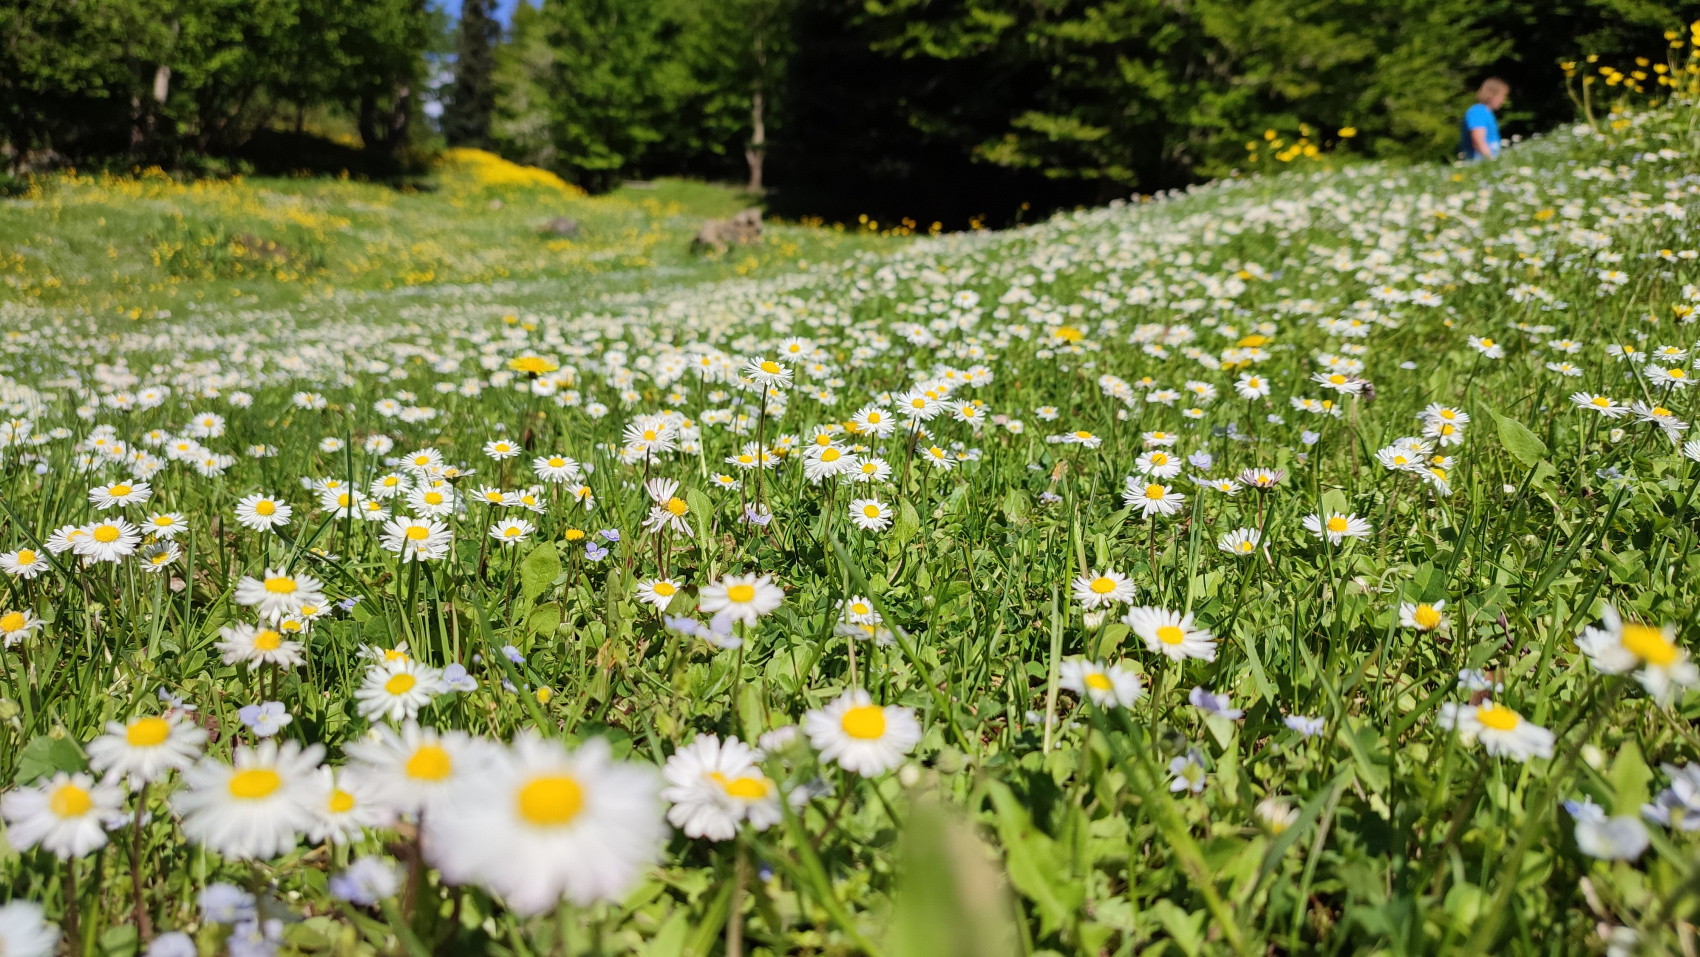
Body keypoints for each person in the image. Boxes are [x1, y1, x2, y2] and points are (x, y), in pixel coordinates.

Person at [1460, 78, 1508, 161]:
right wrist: (1490, 160)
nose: (1503, 101)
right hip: (1479, 163)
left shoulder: (1486, 113)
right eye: (1502, 96)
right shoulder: (1478, 112)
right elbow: (1478, 140)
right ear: (1492, 95)